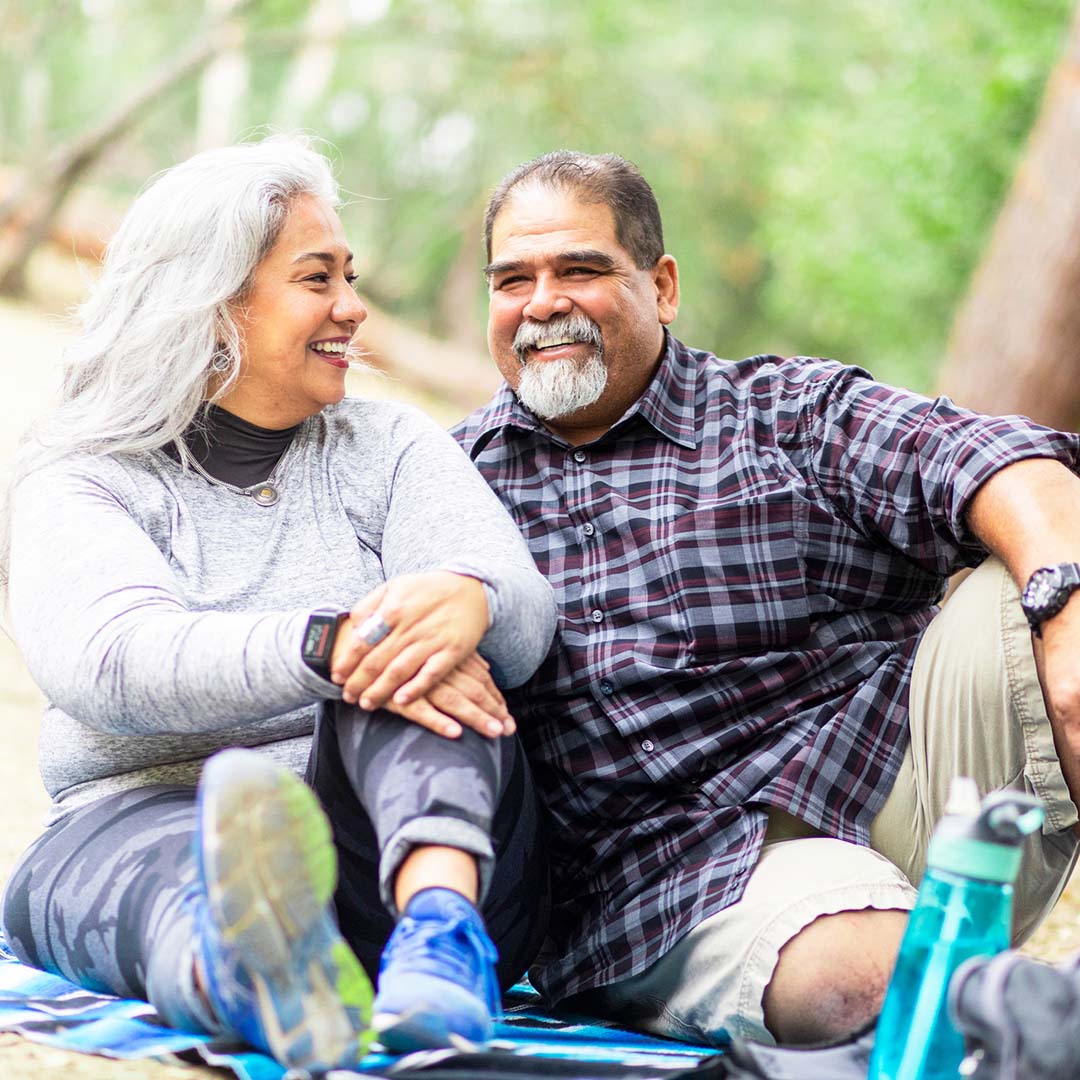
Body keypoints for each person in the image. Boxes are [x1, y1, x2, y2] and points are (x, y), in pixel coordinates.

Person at [452, 150, 1080, 1048]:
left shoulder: (782, 413)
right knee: (874, 981)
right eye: (514, 279)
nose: (543, 302)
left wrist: (1065, 600)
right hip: (680, 890)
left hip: (902, 792)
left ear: (661, 286)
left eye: (581, 269)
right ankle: (1012, 1017)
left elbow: (988, 457)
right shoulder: (451, 486)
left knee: (1043, 567)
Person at [0, 136, 557, 1073]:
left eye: (349, 274)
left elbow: (519, 607)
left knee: (422, 649)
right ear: (214, 304)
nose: (353, 307)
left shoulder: (385, 446)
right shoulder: (81, 479)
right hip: (143, 813)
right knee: (127, 885)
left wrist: (468, 601)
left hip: (413, 841)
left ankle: (441, 935)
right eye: (317, 279)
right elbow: (109, 660)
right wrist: (323, 644)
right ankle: (258, 973)